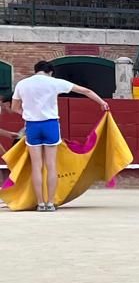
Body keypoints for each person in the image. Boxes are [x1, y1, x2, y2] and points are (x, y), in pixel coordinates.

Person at [10, 60, 109, 212]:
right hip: (50, 125)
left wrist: (27, 114)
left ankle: (40, 204)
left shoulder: (22, 84)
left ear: (36, 70)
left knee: (37, 166)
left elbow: (14, 107)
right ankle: (50, 203)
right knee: (51, 166)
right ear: (50, 72)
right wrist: (101, 102)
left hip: (32, 126)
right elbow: (85, 91)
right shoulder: (54, 82)